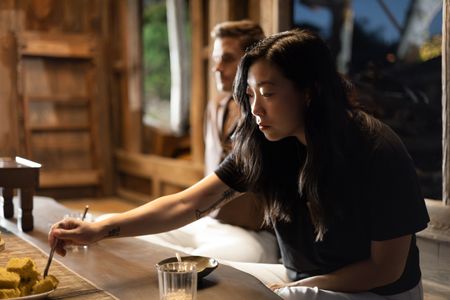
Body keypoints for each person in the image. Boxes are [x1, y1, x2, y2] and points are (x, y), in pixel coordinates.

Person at [49, 29, 429, 300]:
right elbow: (187, 203)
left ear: (309, 92)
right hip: (300, 279)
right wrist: (98, 228)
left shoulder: (376, 150)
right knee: (207, 286)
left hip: (378, 291)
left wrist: (297, 288)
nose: (255, 109)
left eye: (268, 93)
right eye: (249, 94)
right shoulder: (269, 141)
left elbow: (386, 270)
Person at [98, 20, 279, 263]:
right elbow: (190, 200)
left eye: (226, 59)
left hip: (249, 234)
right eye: (215, 59)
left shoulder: (265, 123)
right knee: (108, 232)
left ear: (250, 61)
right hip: (204, 220)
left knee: (188, 268)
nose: (217, 68)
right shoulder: (215, 106)